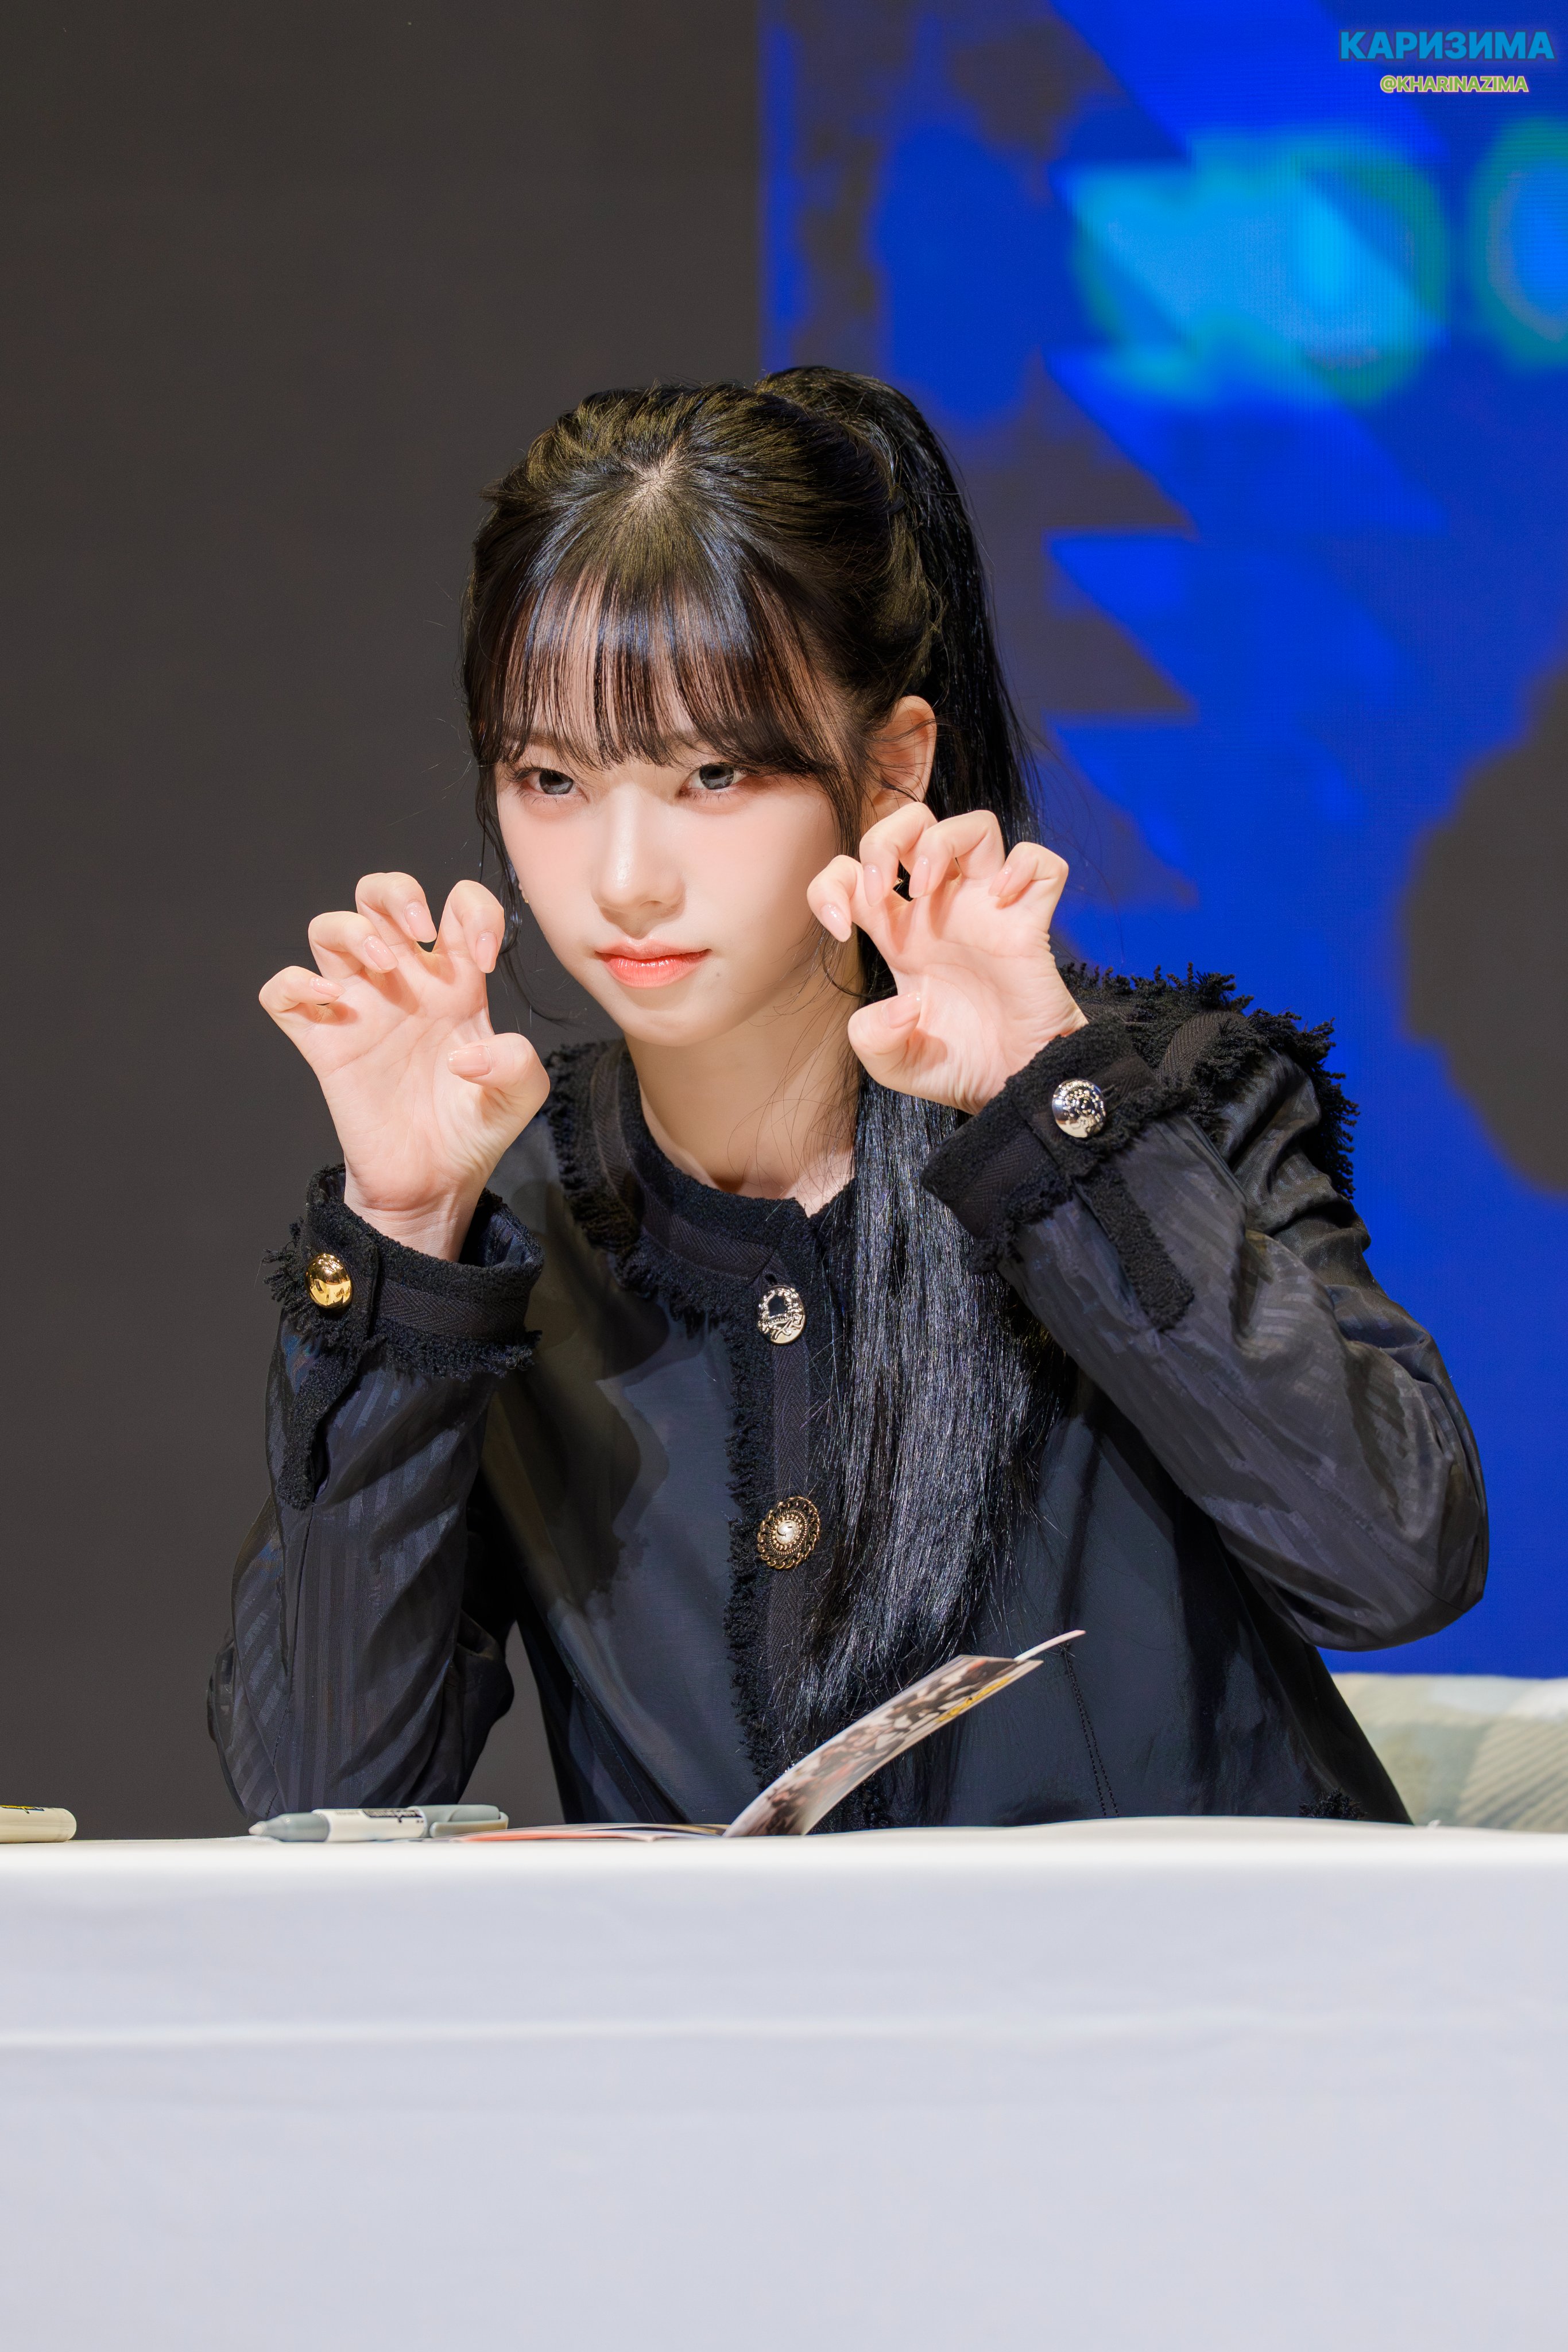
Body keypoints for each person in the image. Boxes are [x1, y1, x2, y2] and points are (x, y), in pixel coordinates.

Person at [210, 368, 1485, 1830]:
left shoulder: (1150, 1103)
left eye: (712, 773)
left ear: (890, 769)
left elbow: (1393, 1563)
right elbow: (321, 1801)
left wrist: (1053, 1117)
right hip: (750, 1995)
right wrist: (404, 1238)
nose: (623, 877)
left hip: (1201, 1979)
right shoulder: (505, 1220)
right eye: (552, 778)